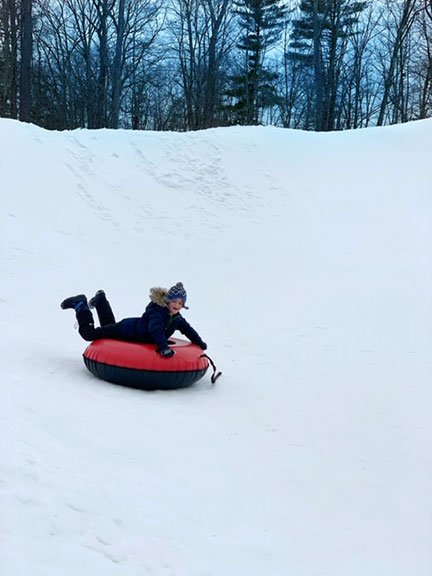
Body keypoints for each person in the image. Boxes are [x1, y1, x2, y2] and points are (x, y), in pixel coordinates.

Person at [60, 282, 207, 358]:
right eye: (174, 301)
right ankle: (80, 305)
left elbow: (188, 329)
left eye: (180, 303)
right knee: (89, 334)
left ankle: (101, 300)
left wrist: (199, 343)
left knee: (108, 326)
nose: (177, 305)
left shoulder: (176, 318)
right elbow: (155, 330)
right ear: (168, 301)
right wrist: (163, 347)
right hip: (125, 330)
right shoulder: (157, 312)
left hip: (129, 329)